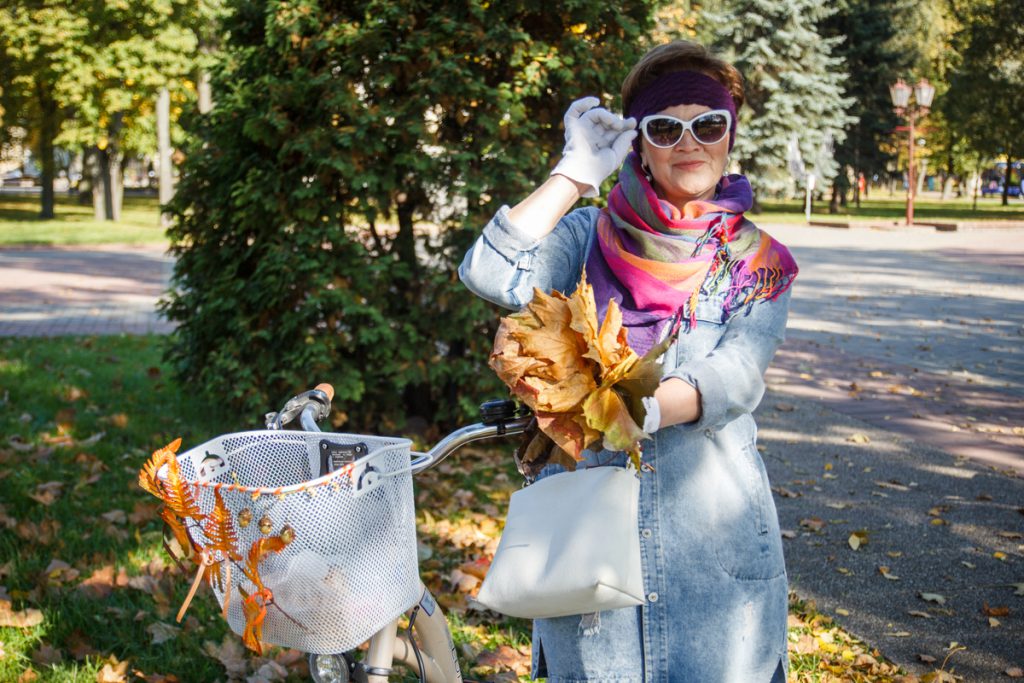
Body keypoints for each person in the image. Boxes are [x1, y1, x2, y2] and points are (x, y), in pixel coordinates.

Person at [460, 40, 798, 683]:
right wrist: (574, 173)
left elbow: (737, 374)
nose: (688, 142)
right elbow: (488, 272)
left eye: (709, 124)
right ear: (639, 141)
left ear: (730, 135)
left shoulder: (758, 259)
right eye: (665, 127)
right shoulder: (586, 236)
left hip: (710, 544)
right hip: (585, 540)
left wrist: (636, 409)